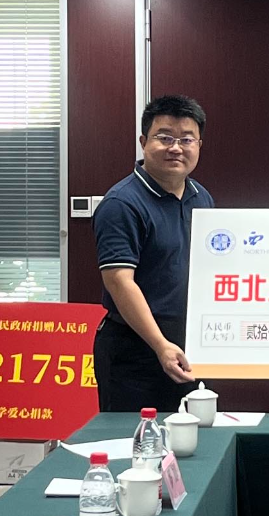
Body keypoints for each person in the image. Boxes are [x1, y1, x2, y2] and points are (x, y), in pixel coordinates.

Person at [92, 94, 214, 412]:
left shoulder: (201, 197)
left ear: (199, 145)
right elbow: (119, 282)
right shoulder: (122, 204)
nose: (176, 148)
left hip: (189, 342)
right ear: (144, 142)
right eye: (165, 138)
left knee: (195, 433)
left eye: (187, 139)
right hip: (136, 346)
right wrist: (160, 345)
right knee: (137, 435)